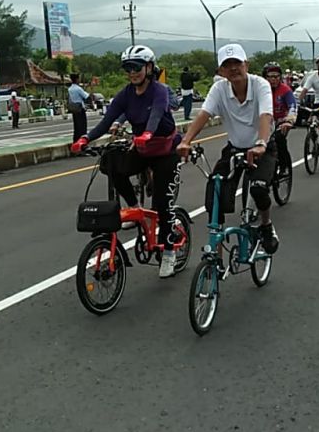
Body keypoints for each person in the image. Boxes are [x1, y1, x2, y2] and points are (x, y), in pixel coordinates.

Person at [71, 45, 183, 278]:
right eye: (128, 68)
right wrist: (85, 138)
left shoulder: (159, 90)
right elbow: (107, 120)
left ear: (149, 68)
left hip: (165, 150)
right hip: (142, 148)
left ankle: (170, 252)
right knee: (112, 165)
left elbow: (156, 114)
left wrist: (148, 133)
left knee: (162, 204)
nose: (132, 73)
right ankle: (133, 207)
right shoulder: (125, 95)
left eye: (137, 67)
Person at [177, 43, 279, 253]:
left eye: (237, 63)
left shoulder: (260, 85)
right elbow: (203, 115)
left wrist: (261, 143)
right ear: (221, 71)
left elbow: (266, 116)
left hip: (262, 147)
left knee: (259, 188)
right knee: (214, 192)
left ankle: (267, 225)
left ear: (246, 65)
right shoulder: (219, 89)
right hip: (235, 148)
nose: (233, 68)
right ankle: (217, 246)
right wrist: (185, 141)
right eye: (227, 65)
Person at [263, 61, 297, 173]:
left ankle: (284, 167)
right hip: (264, 122)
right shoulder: (260, 89)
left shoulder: (285, 90)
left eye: (277, 76)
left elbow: (292, 106)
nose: (274, 79)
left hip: (280, 122)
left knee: (279, 141)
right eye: (270, 76)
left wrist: (289, 121)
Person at [68, 74, 90, 144]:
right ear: (77, 79)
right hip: (80, 109)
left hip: (74, 109)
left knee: (77, 128)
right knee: (82, 128)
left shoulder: (70, 89)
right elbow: (86, 96)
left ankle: (75, 143)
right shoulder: (78, 89)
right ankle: (82, 145)